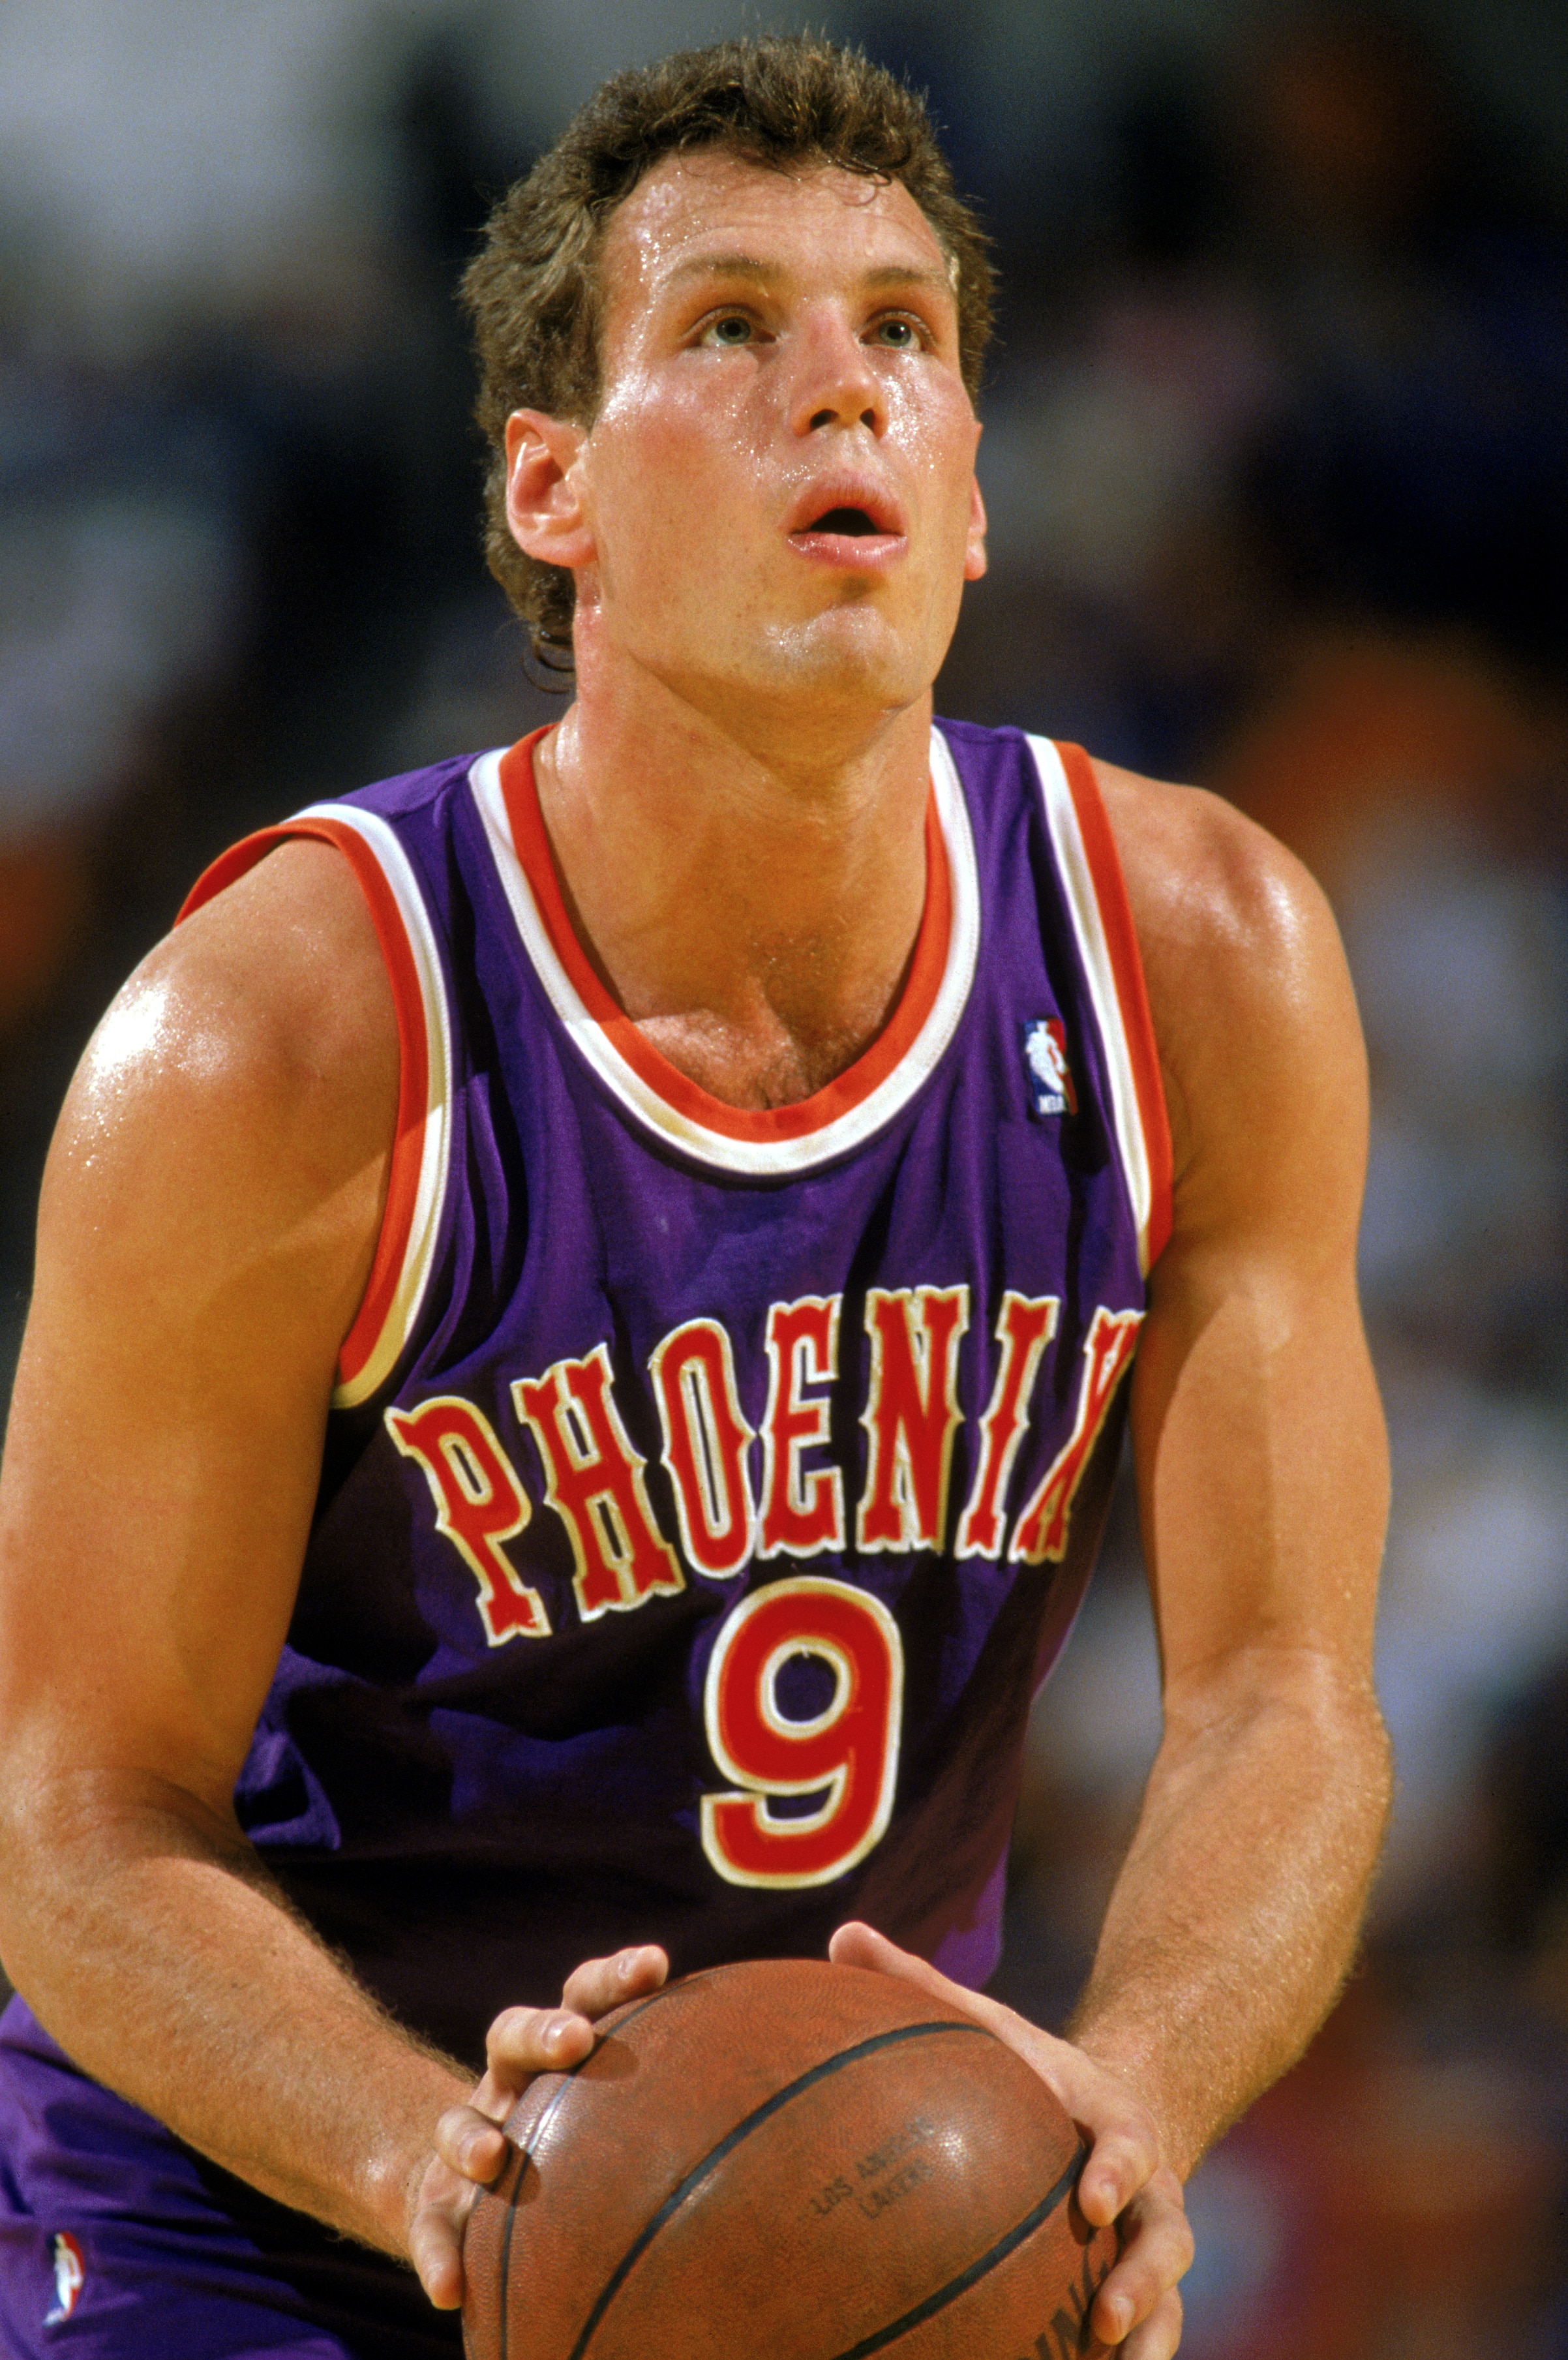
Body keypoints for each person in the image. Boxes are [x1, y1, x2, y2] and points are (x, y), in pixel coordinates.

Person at [0, 36, 1390, 2360]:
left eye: (904, 334)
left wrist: (1134, 2091)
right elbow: (73, 1813)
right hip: (259, 2193)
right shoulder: (282, 1032)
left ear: (970, 501)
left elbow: (1280, 1695)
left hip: (829, 2183)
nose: (837, 389)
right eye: (729, 326)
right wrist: (428, 2161)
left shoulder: (1199, 957)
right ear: (551, 487)